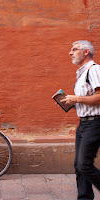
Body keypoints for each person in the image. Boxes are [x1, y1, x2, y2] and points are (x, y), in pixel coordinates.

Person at [62, 40, 100, 200]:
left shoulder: (94, 70)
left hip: (95, 123)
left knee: (84, 164)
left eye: (74, 49)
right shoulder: (81, 73)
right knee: (79, 166)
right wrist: (72, 103)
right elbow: (87, 99)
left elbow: (99, 97)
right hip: (83, 123)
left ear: (86, 52)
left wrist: (76, 98)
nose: (70, 53)